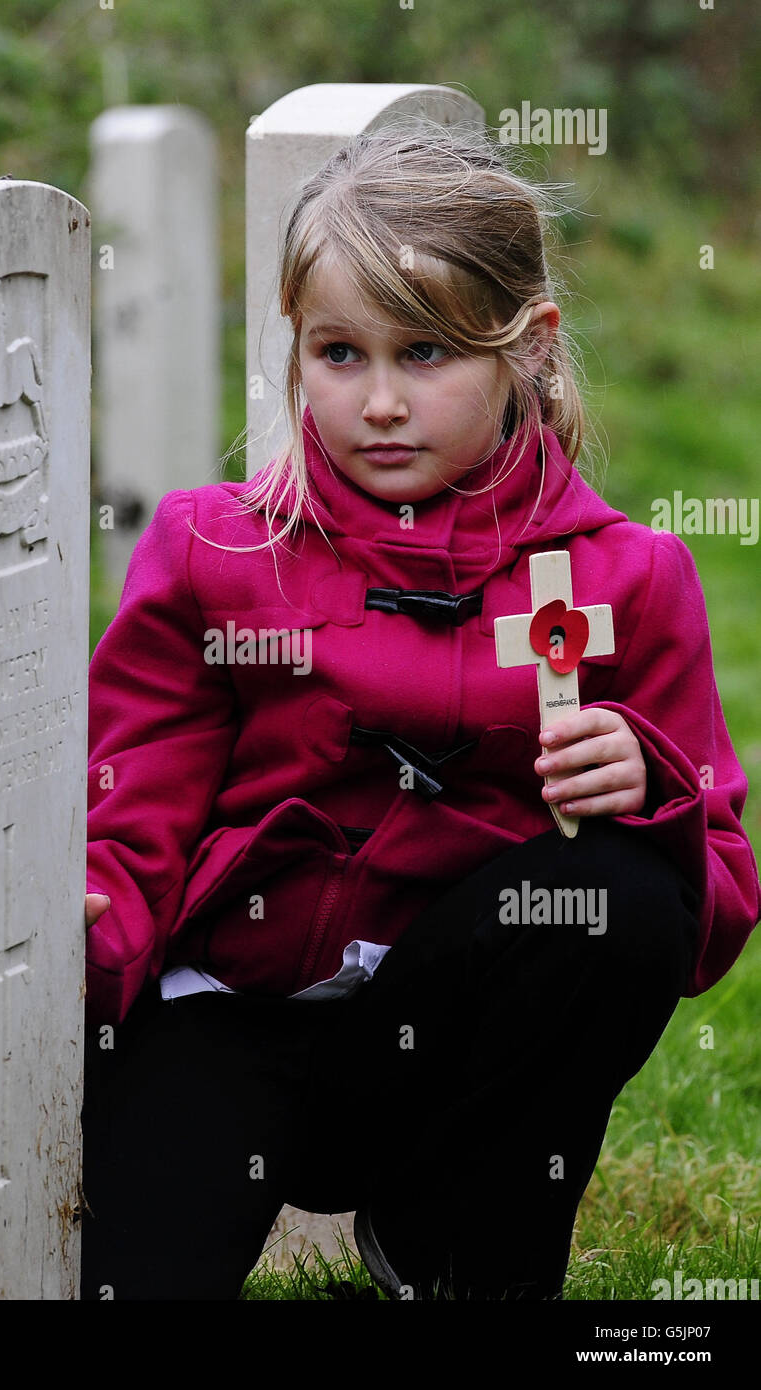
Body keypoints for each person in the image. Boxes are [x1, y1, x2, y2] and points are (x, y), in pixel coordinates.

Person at [80, 118, 760, 1301]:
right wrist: (82, 955)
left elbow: (715, 896)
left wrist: (649, 788)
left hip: (451, 1045)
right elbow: (133, 805)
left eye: (427, 354)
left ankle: (447, 1239)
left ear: (530, 350)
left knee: (617, 897)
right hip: (236, 1015)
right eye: (341, 354)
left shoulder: (628, 579)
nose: (380, 402)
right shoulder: (214, 550)